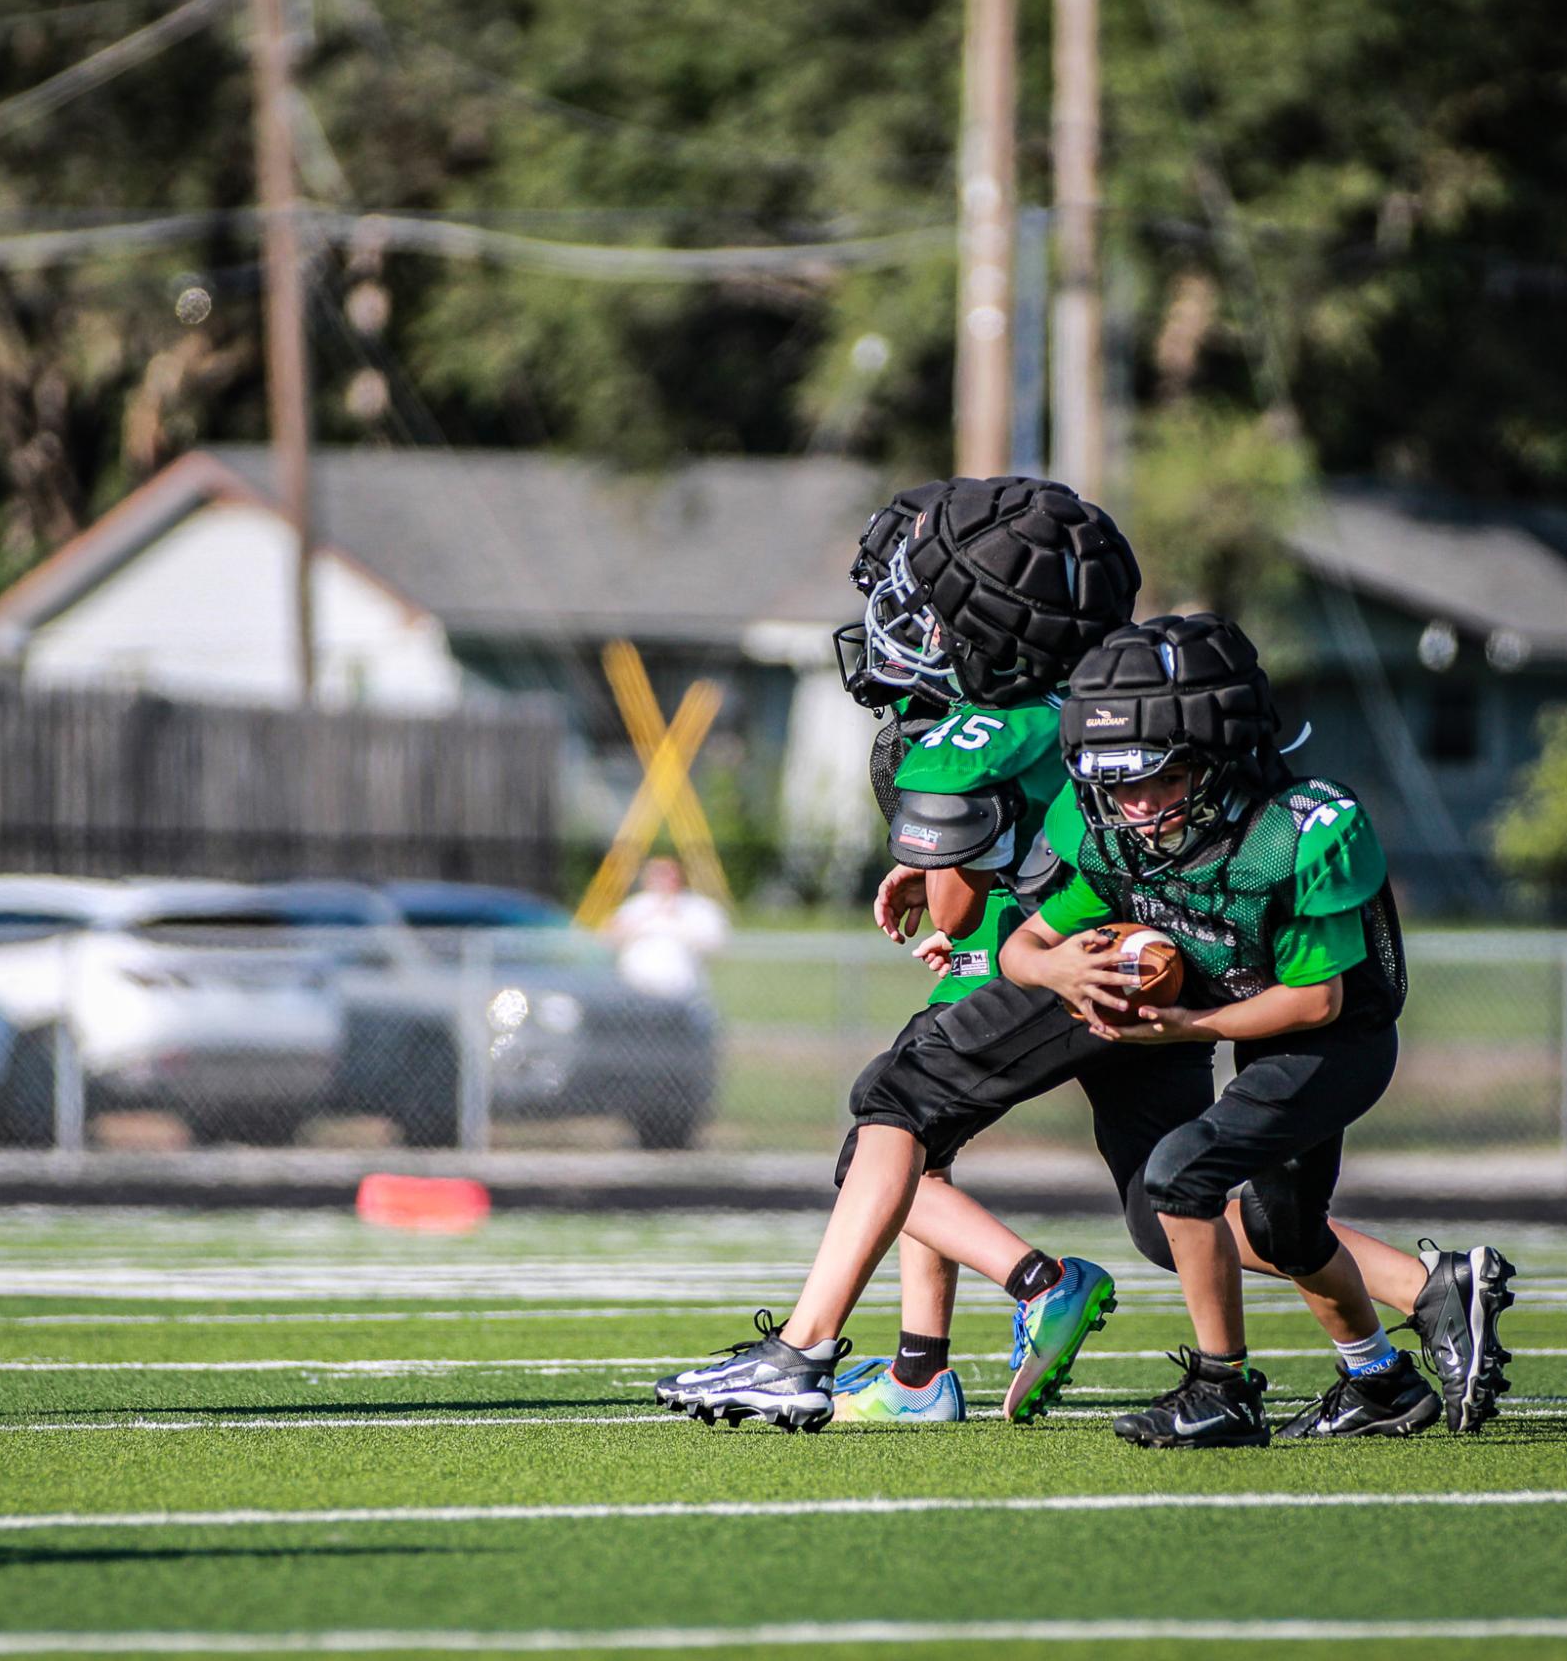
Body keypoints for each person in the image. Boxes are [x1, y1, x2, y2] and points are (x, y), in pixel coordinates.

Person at [658, 475, 1154, 1429]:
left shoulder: (956, 740)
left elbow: (964, 889)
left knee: (885, 1129)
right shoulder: (1084, 702)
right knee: (1186, 1203)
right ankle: (920, 1372)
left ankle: (1007, 1289)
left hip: (1050, 958)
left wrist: (936, 870)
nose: (899, 627)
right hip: (1128, 945)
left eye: (926, 613)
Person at [1002, 614, 1514, 1445]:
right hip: (1262, 1042)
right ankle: (1382, 1380)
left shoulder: (1295, 828)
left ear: (1216, 756)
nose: (1130, 805)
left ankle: (1221, 1389)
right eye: (1111, 781)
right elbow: (1022, 943)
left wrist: (1183, 1023)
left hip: (1333, 1046)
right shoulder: (1119, 842)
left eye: (1153, 778)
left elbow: (1316, 1001)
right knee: (1284, 1229)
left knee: (1177, 1176)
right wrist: (1055, 969)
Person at [607, 856, 729, 999]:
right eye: (656, 873)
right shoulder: (634, 906)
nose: (662, 879)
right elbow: (610, 936)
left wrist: (677, 920)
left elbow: (714, 941)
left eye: (667, 873)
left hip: (682, 987)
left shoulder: (697, 907)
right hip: (635, 987)